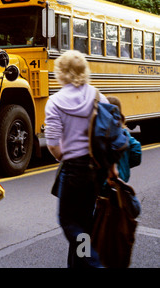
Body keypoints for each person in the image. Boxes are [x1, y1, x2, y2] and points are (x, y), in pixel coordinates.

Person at [44, 50, 111, 268]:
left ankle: (94, 263)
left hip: (73, 168)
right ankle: (79, 265)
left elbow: (53, 144)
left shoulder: (55, 102)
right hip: (96, 169)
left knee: (68, 221)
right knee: (83, 222)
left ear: (61, 72)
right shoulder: (98, 96)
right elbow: (111, 130)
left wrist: (67, 156)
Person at [106, 96, 142, 182]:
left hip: (106, 179)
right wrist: (125, 165)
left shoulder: (100, 132)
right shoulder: (124, 133)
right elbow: (136, 149)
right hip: (122, 178)